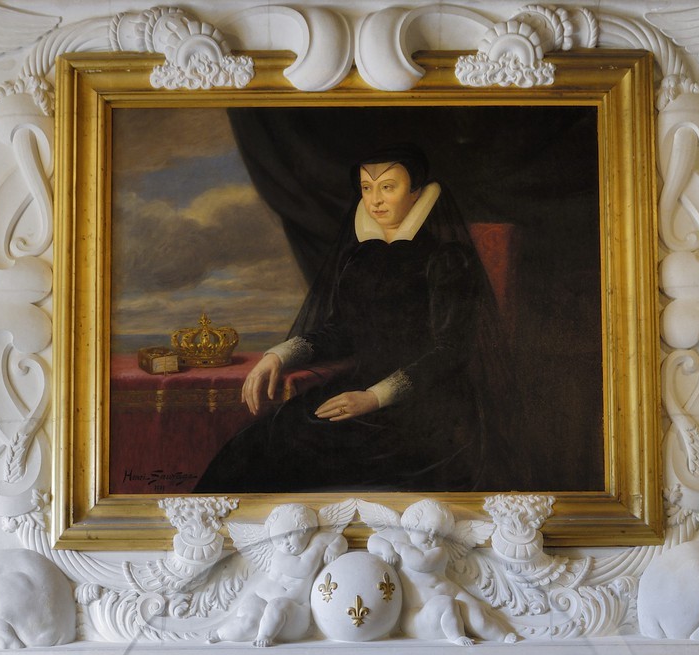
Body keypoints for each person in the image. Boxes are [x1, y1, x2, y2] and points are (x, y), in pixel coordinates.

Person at [197, 145, 511, 493]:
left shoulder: (447, 259)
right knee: (258, 445)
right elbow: (341, 331)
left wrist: (374, 397)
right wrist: (279, 356)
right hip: (359, 389)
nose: (375, 200)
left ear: (416, 192)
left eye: (387, 187)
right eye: (366, 187)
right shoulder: (359, 257)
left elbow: (450, 351)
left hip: (425, 406)